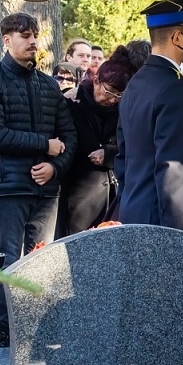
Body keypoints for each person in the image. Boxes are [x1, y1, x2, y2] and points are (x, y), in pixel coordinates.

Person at [0, 12, 75, 345]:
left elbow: (69, 137)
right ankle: (6, 334)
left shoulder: (48, 85)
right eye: (25, 35)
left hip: (46, 190)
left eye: (35, 35)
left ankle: (37, 332)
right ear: (7, 40)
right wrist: (44, 145)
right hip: (8, 187)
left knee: (43, 262)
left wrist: (55, 166)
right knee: (10, 263)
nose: (33, 41)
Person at [118, 0, 183, 231]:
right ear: (177, 37)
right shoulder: (177, 87)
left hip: (132, 208)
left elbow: (122, 156)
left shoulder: (135, 83)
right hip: (161, 218)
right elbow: (173, 168)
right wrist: (177, 232)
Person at [58, 48, 133, 236]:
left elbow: (130, 146)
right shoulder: (73, 103)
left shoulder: (122, 110)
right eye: (109, 92)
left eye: (118, 96)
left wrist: (108, 153)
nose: (112, 100)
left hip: (112, 192)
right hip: (79, 193)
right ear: (97, 81)